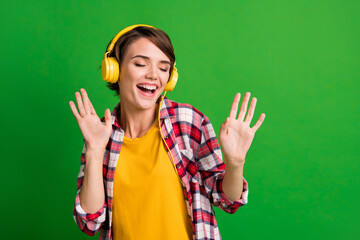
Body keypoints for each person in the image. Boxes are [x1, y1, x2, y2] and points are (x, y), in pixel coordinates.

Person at [70, 24, 265, 240]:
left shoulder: (188, 122)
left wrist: (235, 164)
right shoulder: (100, 135)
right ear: (114, 70)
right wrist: (95, 151)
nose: (154, 75)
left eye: (163, 68)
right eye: (140, 64)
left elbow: (227, 200)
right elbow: (89, 222)